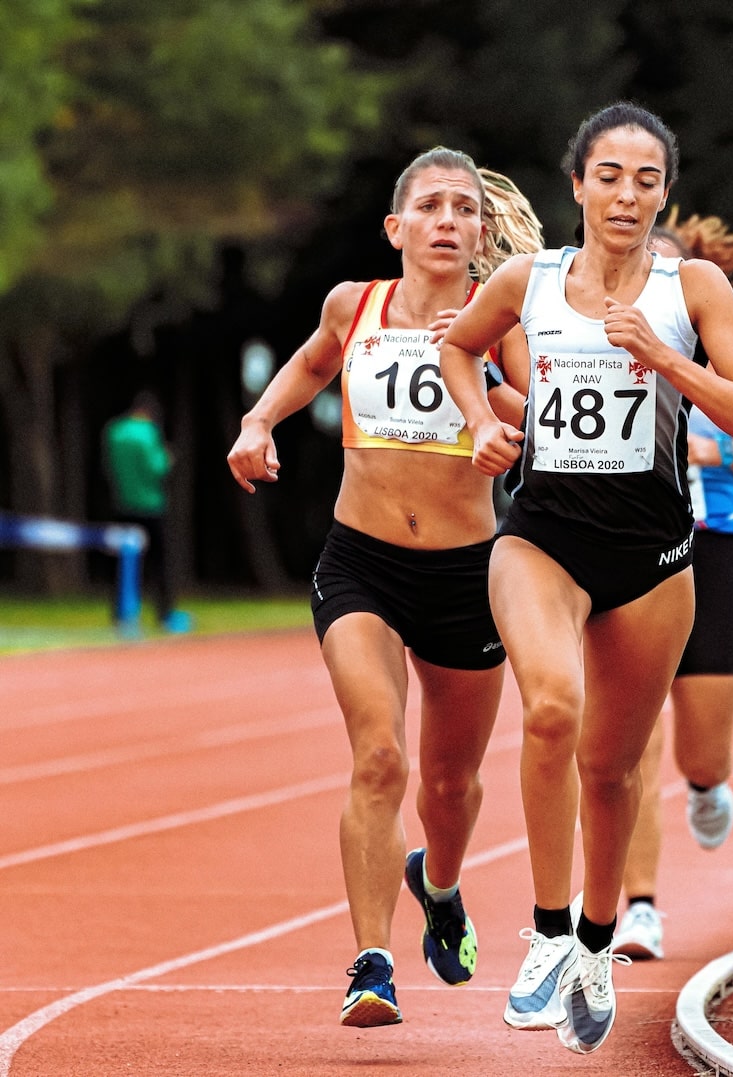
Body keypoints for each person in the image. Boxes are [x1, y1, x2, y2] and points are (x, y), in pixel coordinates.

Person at [439, 102, 733, 1054]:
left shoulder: (693, 286)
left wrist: (666, 359)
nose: (626, 194)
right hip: (541, 536)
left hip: (652, 556)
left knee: (612, 765)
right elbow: (458, 347)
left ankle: (597, 937)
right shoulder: (529, 279)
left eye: (645, 178)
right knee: (551, 708)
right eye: (609, 175)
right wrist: (480, 424)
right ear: (578, 183)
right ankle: (549, 934)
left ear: (664, 190)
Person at [225, 147, 542, 1028]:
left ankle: (438, 883)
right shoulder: (353, 304)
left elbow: (541, 411)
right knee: (379, 757)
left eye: (465, 208)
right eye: (431, 205)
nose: (449, 219)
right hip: (360, 560)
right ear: (397, 228)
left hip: (467, 575)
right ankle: (371, 962)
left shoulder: (501, 320)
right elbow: (313, 365)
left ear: (482, 233)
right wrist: (257, 422)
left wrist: (492, 402)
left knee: (450, 782)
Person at [612, 215, 733, 962]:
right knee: (630, 741)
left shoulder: (716, 356)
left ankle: (706, 784)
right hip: (628, 549)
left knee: (700, 755)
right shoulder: (601, 344)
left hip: (714, 547)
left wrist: (712, 442)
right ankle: (639, 907)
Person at [102, 390, 191, 633]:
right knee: (160, 564)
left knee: (124, 563)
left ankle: (122, 613)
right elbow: (156, 467)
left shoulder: (115, 431)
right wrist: (168, 458)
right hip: (150, 506)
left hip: (122, 505)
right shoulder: (148, 433)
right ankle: (165, 615)